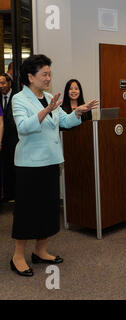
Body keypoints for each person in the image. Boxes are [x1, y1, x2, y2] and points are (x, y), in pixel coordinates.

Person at [10, 54, 98, 277]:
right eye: (44, 74)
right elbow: (24, 127)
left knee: (47, 209)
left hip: (51, 161)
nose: (48, 78)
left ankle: (40, 251)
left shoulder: (50, 96)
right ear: (30, 77)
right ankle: (18, 256)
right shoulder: (20, 99)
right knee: (27, 211)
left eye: (50, 74)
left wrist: (78, 112)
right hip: (29, 165)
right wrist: (47, 110)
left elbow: (64, 122)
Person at [0, 72, 17, 201]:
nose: (1, 86)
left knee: (14, 166)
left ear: (9, 83)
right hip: (2, 139)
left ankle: (16, 195)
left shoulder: (17, 97)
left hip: (14, 138)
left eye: (3, 83)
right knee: (4, 167)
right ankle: (7, 195)